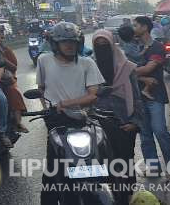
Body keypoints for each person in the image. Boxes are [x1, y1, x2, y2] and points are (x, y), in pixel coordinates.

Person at [36, 22, 104, 205]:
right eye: (64, 42)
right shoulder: (43, 60)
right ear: (55, 44)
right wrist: (48, 109)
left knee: (94, 161)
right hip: (56, 122)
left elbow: (93, 95)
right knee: (53, 169)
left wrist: (66, 103)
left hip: (84, 119)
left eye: (73, 42)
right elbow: (41, 88)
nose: (69, 45)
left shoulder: (87, 63)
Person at [92, 30, 143, 205]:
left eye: (105, 45)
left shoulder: (127, 67)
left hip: (123, 121)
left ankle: (126, 196)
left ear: (112, 44)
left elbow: (137, 97)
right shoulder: (89, 66)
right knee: (101, 162)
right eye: (98, 46)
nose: (101, 48)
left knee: (124, 161)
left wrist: (135, 122)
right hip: (96, 124)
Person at [132, 15, 170, 179]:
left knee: (160, 131)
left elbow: (147, 69)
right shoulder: (135, 48)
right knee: (145, 135)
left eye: (136, 25)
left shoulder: (157, 47)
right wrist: (140, 77)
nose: (134, 28)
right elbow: (134, 72)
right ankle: (153, 168)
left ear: (145, 27)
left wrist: (129, 71)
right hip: (138, 97)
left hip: (155, 96)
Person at [0, 25, 29, 133]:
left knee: (12, 92)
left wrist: (2, 58)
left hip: (4, 80)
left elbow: (13, 67)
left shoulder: (5, 50)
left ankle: (18, 122)